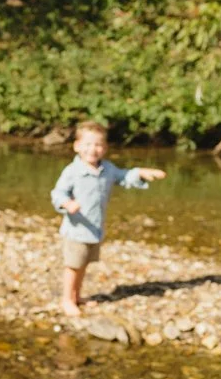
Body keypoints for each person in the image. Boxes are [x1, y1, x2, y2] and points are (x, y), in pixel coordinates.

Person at [49, 120, 167, 318]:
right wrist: (67, 204)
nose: (92, 150)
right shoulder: (73, 171)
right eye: (87, 144)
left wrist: (141, 173)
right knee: (73, 266)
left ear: (105, 148)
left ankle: (77, 296)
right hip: (76, 230)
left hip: (94, 228)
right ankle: (66, 300)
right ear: (76, 146)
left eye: (98, 145)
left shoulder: (107, 169)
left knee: (83, 265)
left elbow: (124, 176)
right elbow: (58, 193)